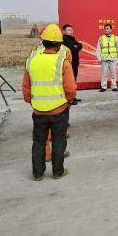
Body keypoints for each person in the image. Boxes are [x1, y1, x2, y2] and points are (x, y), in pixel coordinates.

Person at [23, 23, 75, 180]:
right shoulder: (62, 61)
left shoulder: (32, 60)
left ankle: (38, 173)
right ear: (60, 44)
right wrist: (69, 101)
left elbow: (26, 86)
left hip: (38, 110)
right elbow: (71, 88)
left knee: (39, 142)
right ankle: (58, 171)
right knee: (59, 141)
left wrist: (30, 101)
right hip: (59, 110)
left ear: (43, 41)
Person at [96, 24, 118, 92]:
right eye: (105, 28)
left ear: (111, 29)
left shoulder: (115, 38)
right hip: (104, 59)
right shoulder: (101, 38)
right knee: (104, 73)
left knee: (113, 73)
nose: (106, 30)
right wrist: (99, 58)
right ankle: (104, 86)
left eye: (107, 28)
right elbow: (98, 49)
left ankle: (114, 86)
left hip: (113, 58)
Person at [62, 24, 83, 104]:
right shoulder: (64, 40)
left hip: (74, 63)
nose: (71, 31)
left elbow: (79, 46)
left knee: (73, 81)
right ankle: (69, 99)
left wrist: (76, 46)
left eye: (71, 30)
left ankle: (73, 97)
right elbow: (73, 48)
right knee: (69, 82)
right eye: (69, 30)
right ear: (64, 31)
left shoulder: (72, 39)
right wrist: (76, 46)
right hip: (69, 64)